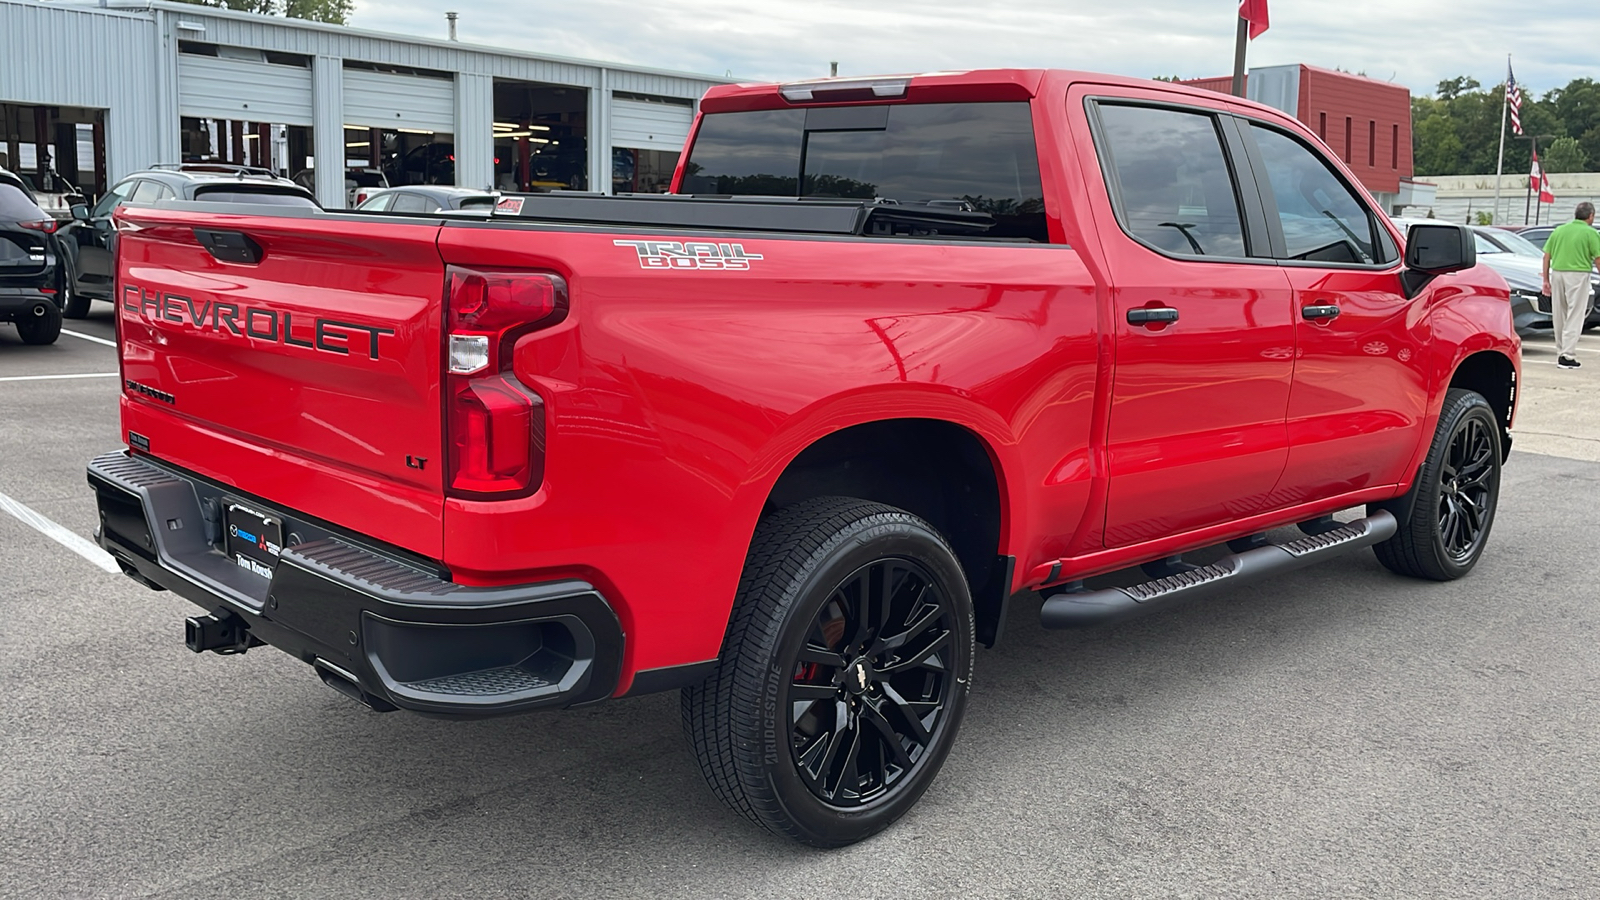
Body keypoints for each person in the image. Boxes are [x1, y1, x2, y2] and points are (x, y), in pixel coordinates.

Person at [1541, 201, 1600, 369]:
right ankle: (1567, 354)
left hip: (1557, 273)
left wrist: (1545, 280)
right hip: (1578, 275)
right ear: (1591, 216)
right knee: (1575, 314)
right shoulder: (1591, 233)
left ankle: (1561, 351)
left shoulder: (1559, 230)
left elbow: (1546, 256)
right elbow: (1598, 259)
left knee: (1559, 314)